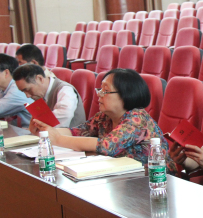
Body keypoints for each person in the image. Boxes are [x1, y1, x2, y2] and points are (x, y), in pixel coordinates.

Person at [29, 69, 175, 168]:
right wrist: (46, 131)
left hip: (153, 179)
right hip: (121, 175)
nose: (99, 94)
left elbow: (106, 146)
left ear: (126, 94)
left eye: (105, 90)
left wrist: (58, 139)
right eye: (100, 89)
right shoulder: (104, 116)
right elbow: (77, 132)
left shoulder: (137, 118)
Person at [13, 64, 86, 128]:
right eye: (23, 92)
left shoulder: (65, 90)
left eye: (28, 89)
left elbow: (62, 119)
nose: (27, 96)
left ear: (40, 79)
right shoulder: (41, 95)